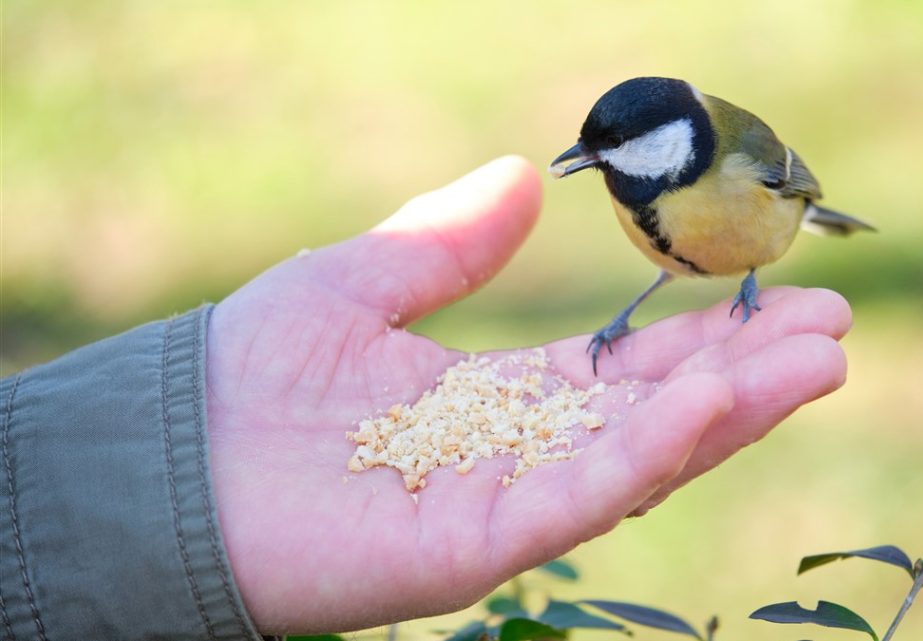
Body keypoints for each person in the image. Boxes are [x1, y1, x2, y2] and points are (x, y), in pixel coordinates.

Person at [0, 156, 852, 639]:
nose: (594, 166)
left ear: (671, 144)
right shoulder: (636, 192)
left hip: (755, 243)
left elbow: (789, 186)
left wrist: (749, 277)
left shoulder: (738, 159)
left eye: (610, 149)